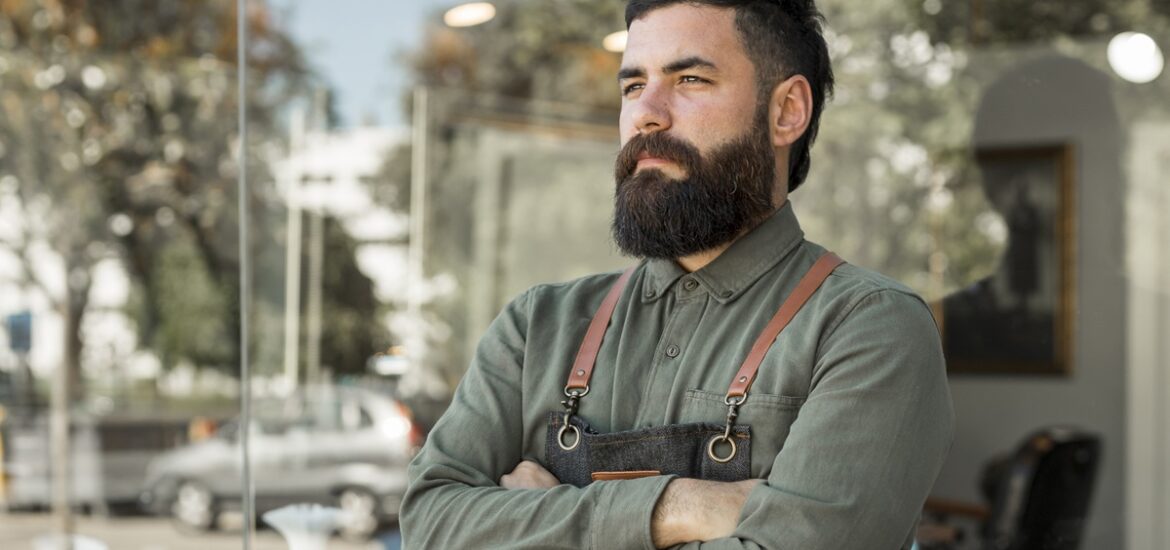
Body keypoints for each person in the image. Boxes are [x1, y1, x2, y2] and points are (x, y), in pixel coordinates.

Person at [400, 1, 954, 548]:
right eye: (633, 85)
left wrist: (533, 516)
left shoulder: (869, 327)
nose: (647, 113)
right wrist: (676, 508)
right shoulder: (536, 326)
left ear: (787, 110)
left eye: (689, 79)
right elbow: (430, 521)